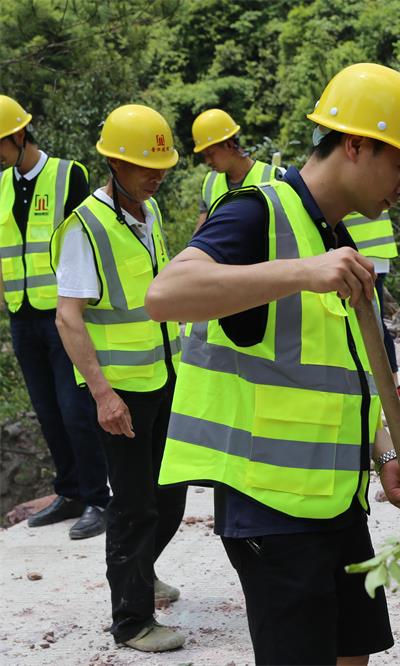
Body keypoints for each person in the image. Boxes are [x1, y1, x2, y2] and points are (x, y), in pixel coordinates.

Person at [149, 63, 400, 666]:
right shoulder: (258, 212)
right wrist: (305, 273)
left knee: (353, 653)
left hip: (336, 501)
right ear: (356, 145)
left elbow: (347, 378)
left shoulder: (334, 238)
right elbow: (167, 294)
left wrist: (385, 457)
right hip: (272, 512)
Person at [50, 104, 187, 652]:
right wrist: (103, 394)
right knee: (133, 504)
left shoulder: (147, 214)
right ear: (113, 162)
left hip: (162, 378)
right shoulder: (86, 227)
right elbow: (68, 317)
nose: (155, 175)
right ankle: (132, 621)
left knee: (170, 493)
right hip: (120, 393)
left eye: (160, 166)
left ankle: (142, 571)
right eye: (142, 166)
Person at [0, 94, 110, 539]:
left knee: (75, 408)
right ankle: (69, 492)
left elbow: (86, 243)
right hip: (22, 315)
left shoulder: (69, 175)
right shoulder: (2, 186)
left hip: (63, 313)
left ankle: (99, 498)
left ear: (18, 135)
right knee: (47, 410)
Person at [342, 209, 400, 400]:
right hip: (373, 254)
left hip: (363, 254)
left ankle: (392, 385)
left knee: (373, 322)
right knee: (375, 321)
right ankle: (393, 383)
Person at [191, 108, 282, 231]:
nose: (208, 161)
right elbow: (201, 232)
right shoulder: (210, 183)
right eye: (204, 156)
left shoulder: (272, 177)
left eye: (211, 154)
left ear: (228, 145)